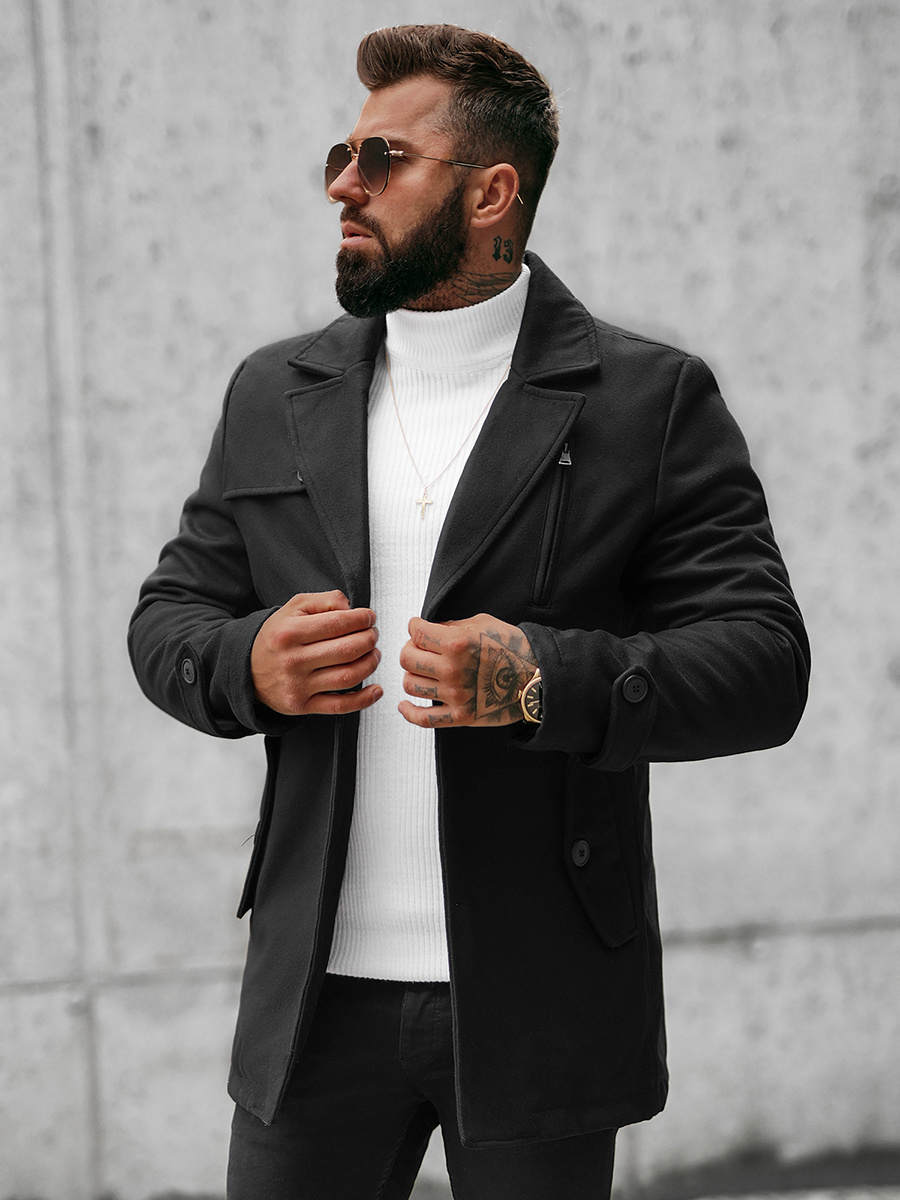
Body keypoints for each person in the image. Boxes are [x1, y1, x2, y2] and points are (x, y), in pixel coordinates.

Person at [128, 23, 810, 1200]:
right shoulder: (273, 392)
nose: (343, 186)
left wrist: (543, 679)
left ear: (493, 193)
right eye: (340, 156)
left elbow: (762, 664)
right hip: (312, 1006)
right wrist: (246, 664)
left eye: (383, 160)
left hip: (538, 994)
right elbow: (168, 615)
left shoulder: (648, 402)